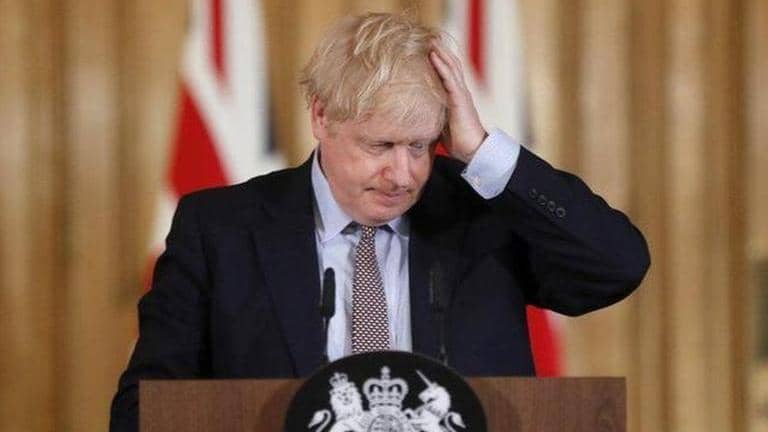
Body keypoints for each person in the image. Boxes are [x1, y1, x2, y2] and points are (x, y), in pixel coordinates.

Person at [109, 12, 649, 431]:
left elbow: (617, 266)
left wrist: (481, 151)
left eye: (420, 146)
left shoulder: (483, 214)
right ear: (321, 115)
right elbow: (145, 407)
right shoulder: (220, 230)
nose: (402, 174)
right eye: (380, 145)